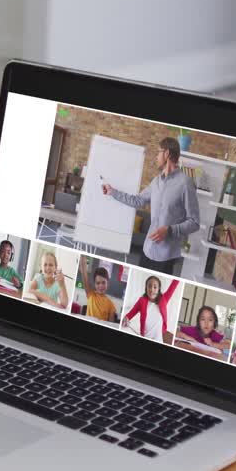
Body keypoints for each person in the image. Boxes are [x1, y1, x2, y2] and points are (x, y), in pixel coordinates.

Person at [101, 136, 200, 277]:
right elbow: (138, 201)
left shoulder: (185, 183)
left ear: (167, 153)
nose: (156, 157)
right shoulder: (156, 181)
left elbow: (195, 222)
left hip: (166, 257)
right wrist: (113, 192)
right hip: (147, 251)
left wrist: (170, 230)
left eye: (158, 152)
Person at [122, 275, 180, 343]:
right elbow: (130, 314)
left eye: (155, 287)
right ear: (146, 288)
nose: (152, 289)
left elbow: (173, 286)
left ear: (158, 289)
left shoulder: (163, 299)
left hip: (159, 339)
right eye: (149, 286)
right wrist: (126, 318)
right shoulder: (141, 301)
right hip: (145, 337)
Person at [75, 258, 119, 322]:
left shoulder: (111, 305)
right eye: (98, 283)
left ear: (108, 283)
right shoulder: (90, 294)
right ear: (95, 284)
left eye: (103, 282)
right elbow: (83, 271)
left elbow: (110, 325)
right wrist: (82, 256)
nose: (101, 286)